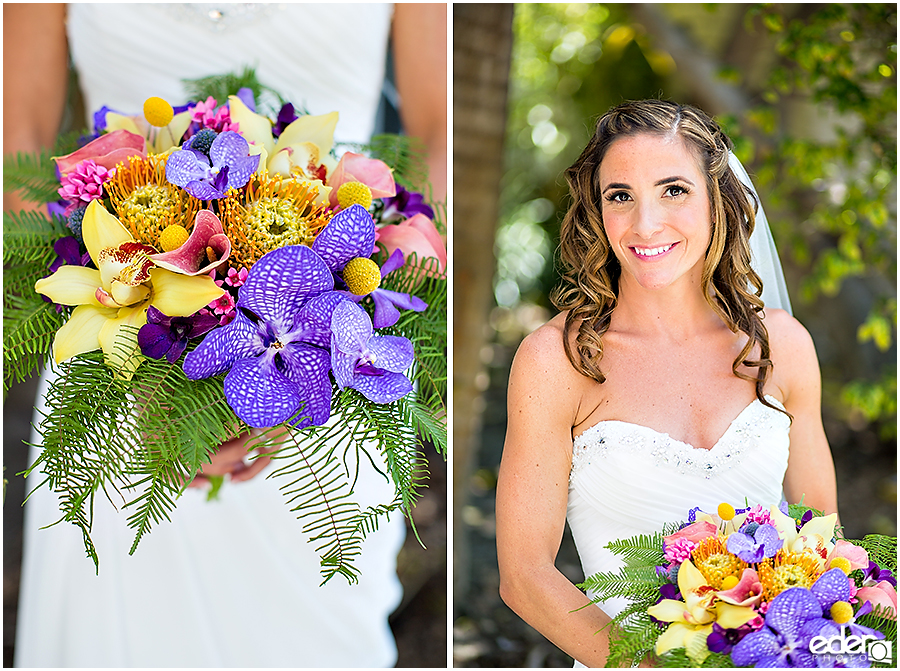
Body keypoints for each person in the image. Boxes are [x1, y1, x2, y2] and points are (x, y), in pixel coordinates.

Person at [6, 3, 446, 667]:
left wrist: (335, 344)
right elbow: (20, 135)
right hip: (116, 362)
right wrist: (151, 367)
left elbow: (440, 133)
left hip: (328, 366)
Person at [495, 99, 838, 667]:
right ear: (597, 211)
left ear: (716, 201)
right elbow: (525, 577)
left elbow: (820, 538)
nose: (645, 223)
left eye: (673, 190)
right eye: (620, 196)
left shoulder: (783, 349)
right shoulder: (557, 361)